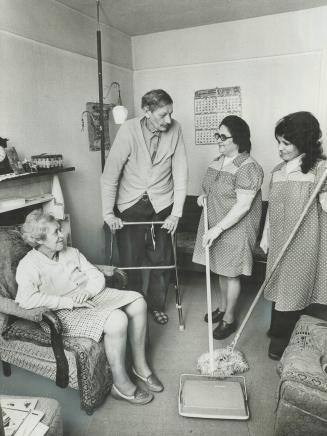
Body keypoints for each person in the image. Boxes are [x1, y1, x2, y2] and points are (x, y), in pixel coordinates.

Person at [15, 210, 164, 405]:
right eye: (56, 232)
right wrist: (66, 302)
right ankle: (120, 385)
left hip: (89, 297)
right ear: (40, 239)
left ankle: (140, 366)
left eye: (60, 229)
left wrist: (88, 292)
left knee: (138, 301)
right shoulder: (29, 265)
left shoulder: (70, 252)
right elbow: (25, 300)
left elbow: (96, 275)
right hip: (62, 312)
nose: (63, 235)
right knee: (117, 319)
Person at [101, 89, 188, 325]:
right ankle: (136, 305)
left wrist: (176, 213)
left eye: (170, 113)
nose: (168, 120)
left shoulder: (175, 129)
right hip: (130, 204)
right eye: (162, 115)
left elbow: (180, 172)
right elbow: (110, 176)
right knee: (131, 261)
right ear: (147, 111)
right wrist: (108, 213)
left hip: (163, 204)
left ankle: (156, 304)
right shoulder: (128, 130)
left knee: (163, 259)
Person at [260, 111, 327, 360]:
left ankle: (282, 336)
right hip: (279, 239)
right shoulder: (277, 171)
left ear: (304, 141)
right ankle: (279, 327)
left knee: (293, 288)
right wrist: (266, 238)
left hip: (304, 241)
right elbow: (272, 210)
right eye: (279, 142)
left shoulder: (320, 170)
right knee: (278, 285)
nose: (280, 148)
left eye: (286, 143)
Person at [193, 115, 264, 339]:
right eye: (218, 135)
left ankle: (229, 319)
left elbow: (243, 206)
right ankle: (222, 307)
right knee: (220, 269)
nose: (219, 140)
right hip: (215, 223)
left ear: (239, 139)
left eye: (223, 137)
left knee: (231, 274)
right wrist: (203, 196)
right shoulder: (217, 160)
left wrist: (217, 229)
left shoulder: (248, 166)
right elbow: (210, 188)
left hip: (236, 227)